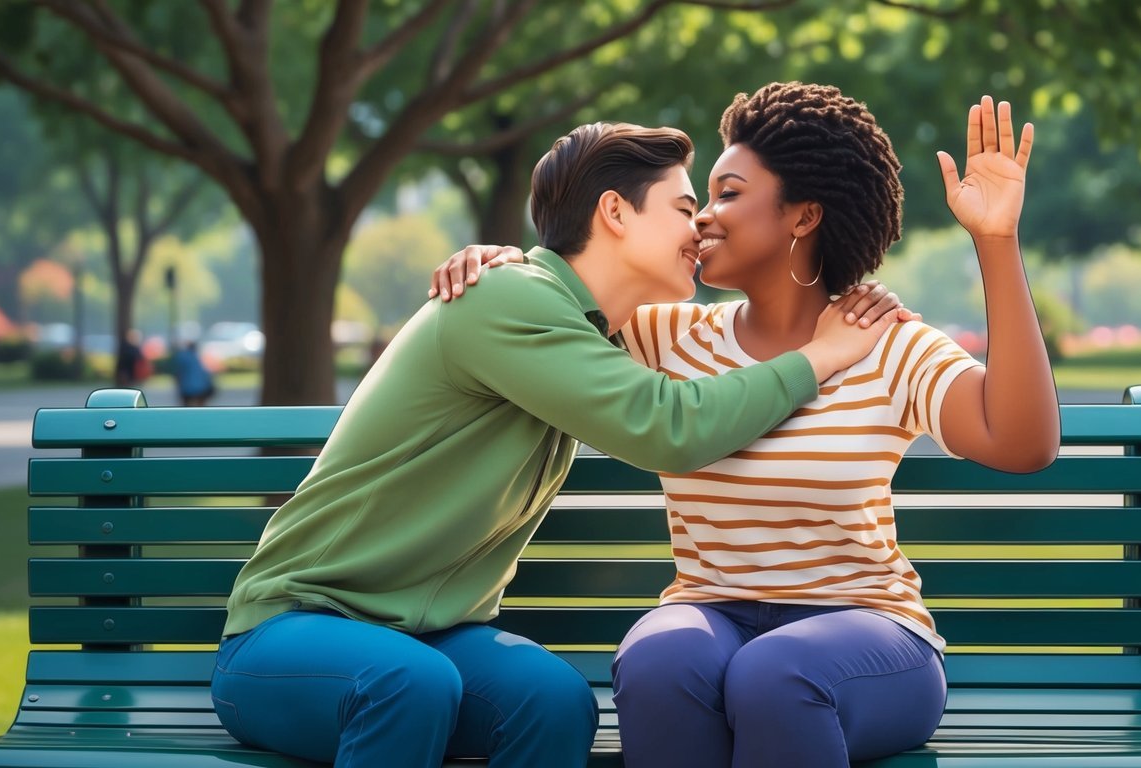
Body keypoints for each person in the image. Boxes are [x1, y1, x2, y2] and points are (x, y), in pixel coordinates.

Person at [210, 121, 908, 768]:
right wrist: (820, 356)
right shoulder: (508, 300)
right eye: (680, 205)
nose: (699, 224)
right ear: (612, 212)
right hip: (294, 631)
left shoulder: (572, 322)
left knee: (551, 703)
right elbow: (673, 427)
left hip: (432, 637)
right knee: (407, 684)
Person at [434, 84, 1060, 766]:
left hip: (871, 637)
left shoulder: (881, 340)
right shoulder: (660, 337)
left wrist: (995, 241)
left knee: (776, 675)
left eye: (727, 194)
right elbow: (552, 310)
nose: (701, 218)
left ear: (803, 215)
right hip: (711, 611)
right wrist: (504, 267)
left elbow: (1022, 443)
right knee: (658, 662)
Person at [173, 341, 215, 406]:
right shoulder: (199, 357)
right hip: (201, 387)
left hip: (186, 388)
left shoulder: (182, 356)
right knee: (200, 405)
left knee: (186, 407)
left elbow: (178, 371)